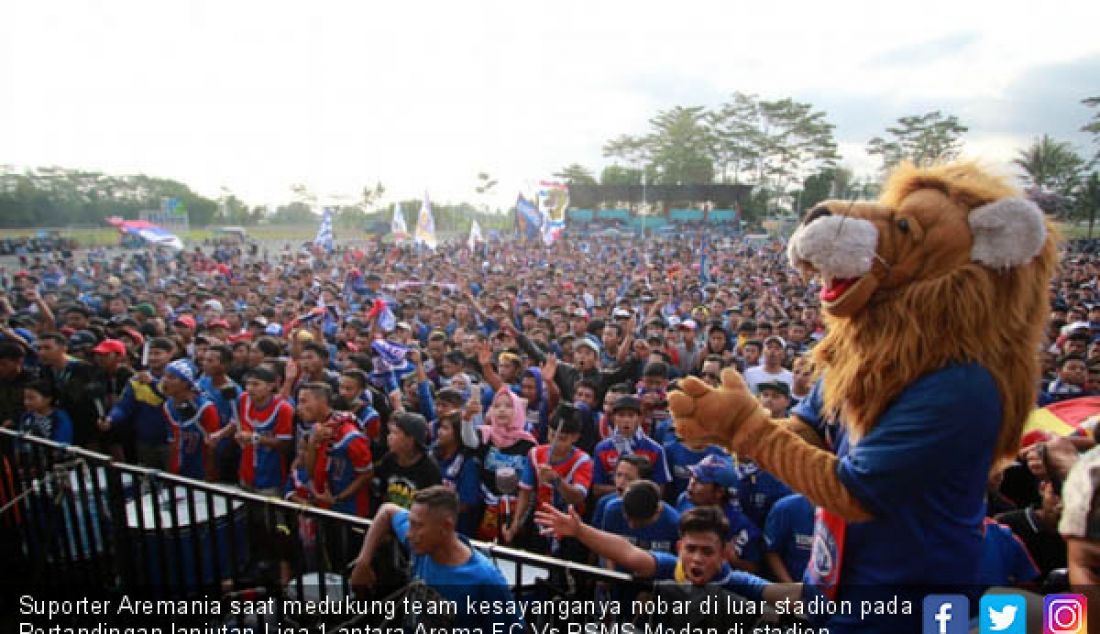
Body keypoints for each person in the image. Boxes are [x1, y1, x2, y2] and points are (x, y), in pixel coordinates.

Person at [535, 502, 799, 604]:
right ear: (679, 548)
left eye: (707, 552)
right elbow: (627, 553)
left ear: (724, 554)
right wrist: (580, 531)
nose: (696, 559)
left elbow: (788, 593)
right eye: (691, 549)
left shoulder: (737, 583)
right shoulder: (668, 568)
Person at [350, 486, 523, 630]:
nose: (409, 534)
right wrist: (363, 562)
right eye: (410, 523)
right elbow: (387, 511)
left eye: (417, 525)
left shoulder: (485, 580)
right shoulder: (422, 546)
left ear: (445, 527)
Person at [160, 359, 219, 481]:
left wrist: (209, 475)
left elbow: (212, 447)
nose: (165, 380)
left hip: (201, 473)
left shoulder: (206, 408)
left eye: (172, 377)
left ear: (186, 383)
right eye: (165, 376)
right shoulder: (167, 406)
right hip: (178, 470)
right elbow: (172, 441)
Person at [372, 412, 442, 510]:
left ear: (410, 440)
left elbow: (432, 507)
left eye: (395, 433)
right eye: (390, 432)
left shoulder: (429, 469)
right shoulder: (389, 460)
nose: (389, 437)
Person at [762, 493, 815, 583]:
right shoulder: (785, 508)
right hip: (793, 583)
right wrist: (791, 587)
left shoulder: (843, 511)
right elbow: (771, 552)